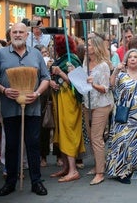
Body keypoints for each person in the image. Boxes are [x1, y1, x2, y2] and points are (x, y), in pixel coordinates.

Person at [0, 22, 50, 196]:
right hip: (10, 109)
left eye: (21, 32)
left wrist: (38, 93)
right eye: (15, 32)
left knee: (33, 144)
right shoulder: (0, 54)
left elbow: (45, 78)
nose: (18, 35)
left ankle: (36, 181)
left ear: (27, 35)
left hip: (32, 108)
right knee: (11, 145)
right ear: (11, 35)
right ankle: (10, 182)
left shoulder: (36, 54)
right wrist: (3, 90)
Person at [106, 48, 137, 184]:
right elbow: (111, 85)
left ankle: (132, 167)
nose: (133, 59)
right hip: (123, 112)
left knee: (135, 141)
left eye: (136, 57)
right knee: (122, 141)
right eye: (130, 57)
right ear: (126, 60)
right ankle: (120, 171)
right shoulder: (121, 75)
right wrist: (116, 70)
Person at [49, 35, 85, 183]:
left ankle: (73, 170)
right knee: (61, 131)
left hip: (69, 101)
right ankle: (65, 167)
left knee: (68, 131)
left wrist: (61, 73)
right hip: (61, 98)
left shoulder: (73, 59)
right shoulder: (63, 59)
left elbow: (79, 83)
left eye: (54, 45)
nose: (52, 48)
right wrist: (53, 81)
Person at [83, 35, 113, 186]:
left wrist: (93, 84)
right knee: (91, 137)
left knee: (96, 138)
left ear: (96, 47)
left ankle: (100, 172)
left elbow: (105, 88)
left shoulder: (103, 66)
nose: (85, 47)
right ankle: (97, 165)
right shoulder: (85, 62)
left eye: (88, 45)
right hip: (88, 103)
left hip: (102, 103)